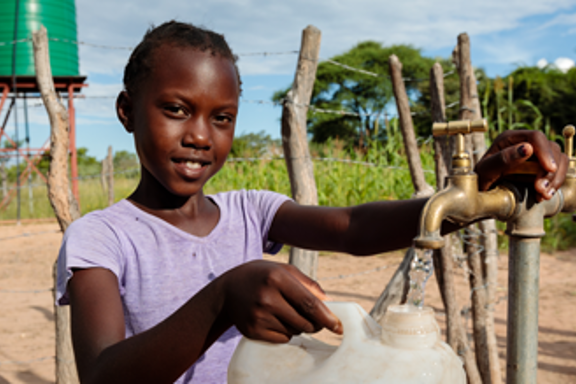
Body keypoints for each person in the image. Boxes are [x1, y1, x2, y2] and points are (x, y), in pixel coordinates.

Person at [56, 21, 567, 384]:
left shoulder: (249, 211)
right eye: (176, 110)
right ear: (127, 111)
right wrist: (221, 301)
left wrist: (474, 185)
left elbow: (353, 227)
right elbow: (102, 373)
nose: (199, 136)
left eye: (222, 118)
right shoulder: (102, 237)